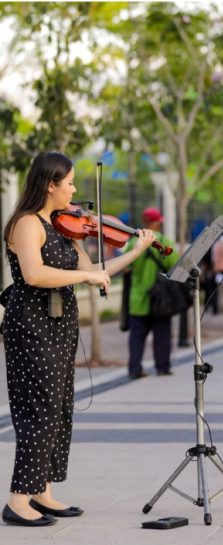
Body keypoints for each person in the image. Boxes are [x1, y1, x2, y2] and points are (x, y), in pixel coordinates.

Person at [1, 152, 156, 526]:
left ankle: (43, 492)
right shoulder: (26, 224)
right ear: (50, 184)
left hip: (60, 326)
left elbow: (95, 272)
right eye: (69, 182)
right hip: (32, 326)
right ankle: (17, 501)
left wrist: (135, 252)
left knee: (58, 408)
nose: (74, 189)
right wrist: (85, 279)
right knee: (39, 409)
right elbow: (34, 274)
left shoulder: (64, 227)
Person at [126, 208, 180, 379]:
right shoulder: (164, 242)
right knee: (162, 334)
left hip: (138, 297)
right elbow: (175, 266)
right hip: (161, 298)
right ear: (156, 222)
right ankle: (163, 367)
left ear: (144, 222)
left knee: (137, 336)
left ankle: (135, 369)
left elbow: (126, 266)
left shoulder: (134, 243)